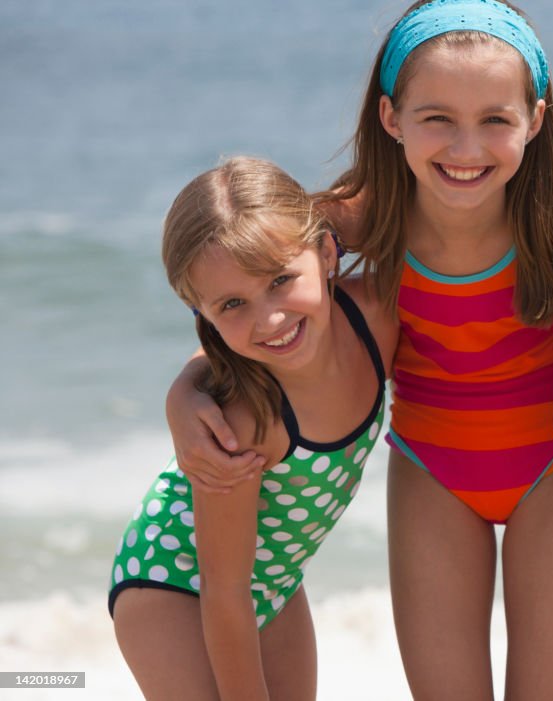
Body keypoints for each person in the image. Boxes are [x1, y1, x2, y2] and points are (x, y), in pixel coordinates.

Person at [163, 3, 553, 698]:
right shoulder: (358, 219)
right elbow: (260, 307)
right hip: (432, 476)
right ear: (391, 118)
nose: (465, 149)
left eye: (495, 120)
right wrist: (187, 391)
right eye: (437, 117)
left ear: (534, 118)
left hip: (552, 478)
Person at [109, 157, 397, 701]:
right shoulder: (244, 421)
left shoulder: (377, 318)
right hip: (176, 582)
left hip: (275, 582)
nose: (270, 320)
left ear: (327, 254)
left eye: (281, 280)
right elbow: (224, 593)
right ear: (203, 315)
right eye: (233, 304)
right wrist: (186, 390)